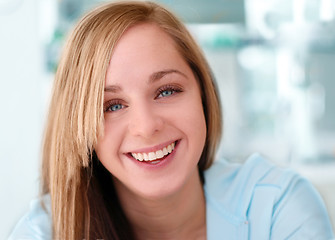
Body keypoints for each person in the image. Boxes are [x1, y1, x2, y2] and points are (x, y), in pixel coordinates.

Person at [9, 1, 335, 240]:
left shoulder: (277, 208)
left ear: (203, 94)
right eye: (112, 106)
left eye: (166, 91)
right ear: (79, 128)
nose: (146, 126)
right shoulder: (41, 234)